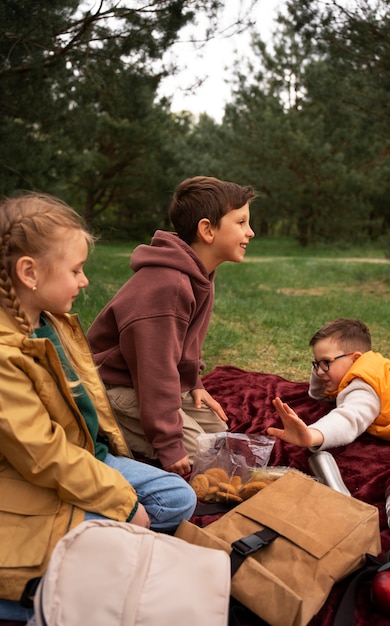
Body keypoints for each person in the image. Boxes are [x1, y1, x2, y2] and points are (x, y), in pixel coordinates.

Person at [0, 193, 196, 622]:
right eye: (75, 270)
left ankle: (93, 550)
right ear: (29, 272)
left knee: (177, 499)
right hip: (25, 479)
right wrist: (122, 503)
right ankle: (33, 594)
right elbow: (42, 455)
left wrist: (115, 485)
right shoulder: (4, 354)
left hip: (84, 457)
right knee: (71, 577)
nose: (85, 280)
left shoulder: (52, 320)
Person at [87, 176, 256, 477]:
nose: (250, 232)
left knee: (220, 437)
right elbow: (155, 372)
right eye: (241, 223)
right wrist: (168, 444)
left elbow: (185, 348)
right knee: (201, 459)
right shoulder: (168, 285)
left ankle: (157, 431)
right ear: (207, 229)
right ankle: (109, 436)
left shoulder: (200, 273)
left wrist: (194, 384)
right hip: (111, 387)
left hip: (145, 383)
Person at [267, 317, 390, 449]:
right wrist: (323, 365)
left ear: (356, 359)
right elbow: (317, 394)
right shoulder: (370, 368)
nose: (319, 372)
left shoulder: (364, 386)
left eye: (326, 362)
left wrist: (313, 435)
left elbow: (348, 418)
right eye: (317, 364)